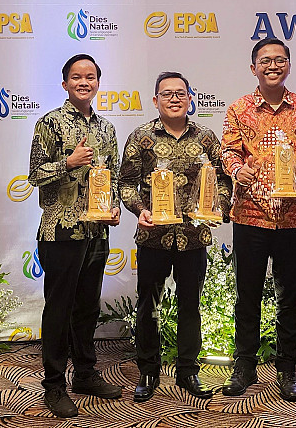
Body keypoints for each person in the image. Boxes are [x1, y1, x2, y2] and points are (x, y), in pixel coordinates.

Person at [221, 38, 296, 402]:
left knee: (290, 296)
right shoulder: (238, 109)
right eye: (265, 60)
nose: (273, 65)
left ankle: (287, 368)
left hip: (294, 217)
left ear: (289, 66)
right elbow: (228, 151)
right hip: (250, 215)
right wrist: (238, 170)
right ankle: (245, 366)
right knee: (247, 295)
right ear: (254, 68)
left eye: (280, 60)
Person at [119, 72, 232, 402]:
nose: (174, 99)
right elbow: (125, 183)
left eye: (180, 93)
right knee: (148, 307)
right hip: (153, 237)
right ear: (156, 100)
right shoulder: (141, 137)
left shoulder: (206, 137)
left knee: (190, 306)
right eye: (166, 94)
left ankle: (188, 371)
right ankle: (148, 371)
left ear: (190, 99)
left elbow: (224, 180)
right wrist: (139, 209)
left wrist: (218, 207)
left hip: (193, 237)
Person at [28, 53, 122, 418]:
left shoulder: (107, 129)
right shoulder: (50, 123)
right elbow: (34, 174)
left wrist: (114, 208)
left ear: (98, 82)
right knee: (59, 310)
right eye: (77, 76)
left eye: (91, 76)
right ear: (65, 83)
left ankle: (85, 374)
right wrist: (68, 163)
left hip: (96, 231)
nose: (84, 82)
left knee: (87, 308)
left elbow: (113, 176)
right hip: (61, 231)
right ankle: (54, 385)